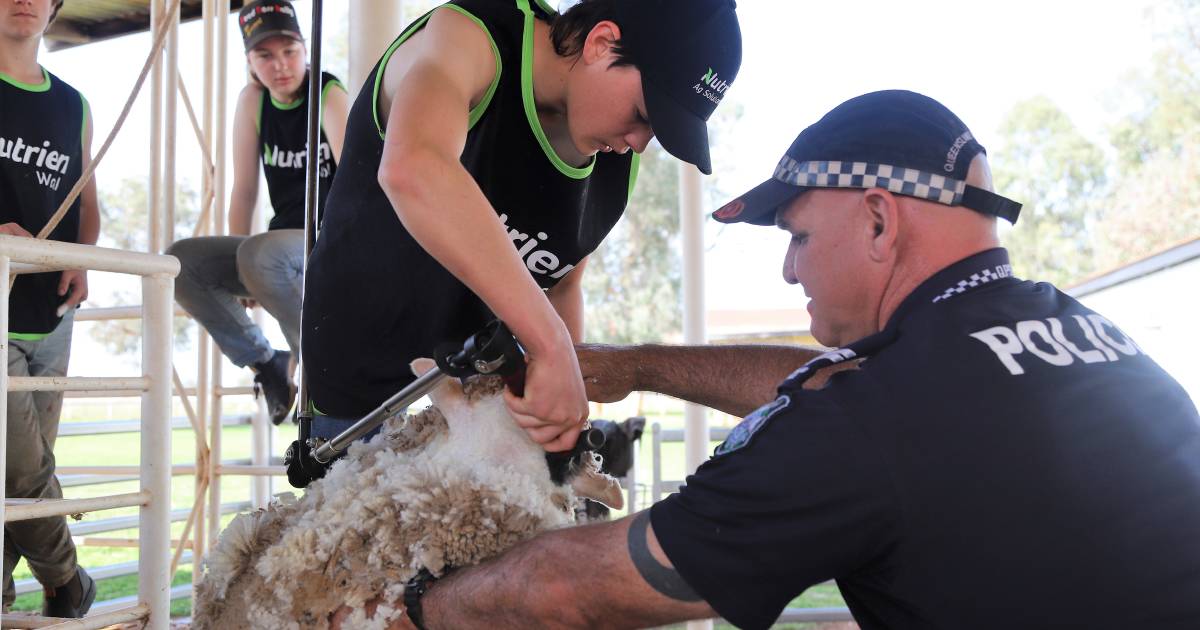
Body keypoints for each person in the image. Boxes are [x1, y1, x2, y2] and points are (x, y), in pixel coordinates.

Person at [330, 90, 1200, 629]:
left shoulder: (873, 424)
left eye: (797, 235)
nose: (790, 267)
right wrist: (637, 364)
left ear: (877, 220)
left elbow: (579, 591)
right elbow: (859, 400)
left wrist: (404, 615)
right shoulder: (1095, 344)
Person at [301, 0, 741, 450]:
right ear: (601, 43)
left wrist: (564, 411)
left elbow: (563, 286)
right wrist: (552, 346)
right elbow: (413, 168)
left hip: (478, 405)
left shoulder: (613, 161)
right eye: (643, 115)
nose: (639, 144)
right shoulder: (471, 39)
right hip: (358, 392)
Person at [167, 0, 349, 425]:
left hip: (330, 238)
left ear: (306, 49)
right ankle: (266, 361)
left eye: (289, 51)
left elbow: (359, 182)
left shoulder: (329, 94)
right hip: (276, 247)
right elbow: (244, 190)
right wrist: (246, 268)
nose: (280, 65)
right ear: (250, 61)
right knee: (181, 261)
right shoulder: (252, 101)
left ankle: (322, 361)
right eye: (265, 55)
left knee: (261, 255)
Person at [0, 0, 101, 617]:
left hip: (54, 313)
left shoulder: (74, 103)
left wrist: (83, 256)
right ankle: (67, 580)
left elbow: (88, 203)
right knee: (23, 464)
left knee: (20, 473)